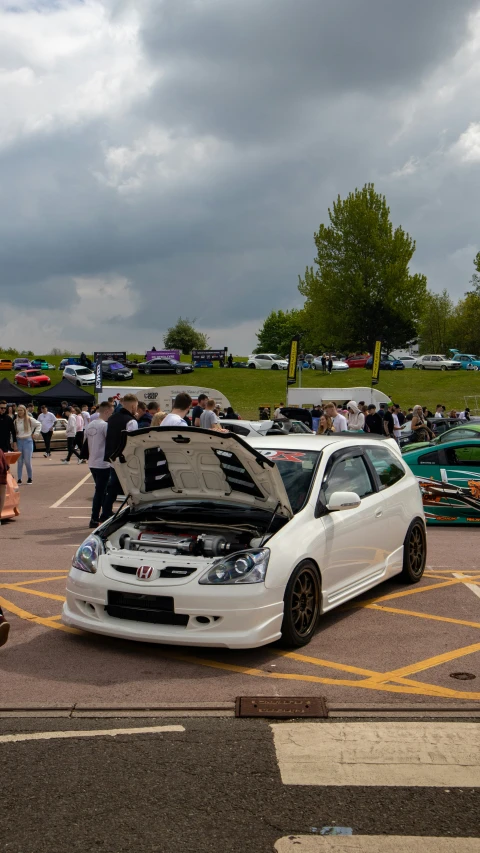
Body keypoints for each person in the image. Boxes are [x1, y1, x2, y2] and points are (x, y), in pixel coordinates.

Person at [100, 394, 139, 522]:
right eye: (136, 406)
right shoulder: (131, 421)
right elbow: (132, 443)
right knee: (130, 488)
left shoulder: (111, 419)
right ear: (133, 406)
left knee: (113, 487)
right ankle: (131, 512)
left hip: (112, 458)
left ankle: (105, 512)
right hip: (125, 460)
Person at [85, 401, 113, 528]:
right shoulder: (104, 426)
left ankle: (103, 514)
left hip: (93, 462)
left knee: (102, 490)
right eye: (111, 412)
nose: (111, 414)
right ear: (107, 411)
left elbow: (85, 442)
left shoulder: (90, 425)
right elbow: (110, 443)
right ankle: (95, 518)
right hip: (102, 463)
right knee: (101, 491)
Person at [14, 404, 40, 484]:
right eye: (18, 410)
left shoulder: (29, 419)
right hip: (19, 441)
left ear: (24, 411)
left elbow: (39, 424)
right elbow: (13, 432)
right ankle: (19, 478)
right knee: (20, 461)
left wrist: (35, 434)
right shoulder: (16, 421)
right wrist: (13, 442)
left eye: (21, 410)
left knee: (27, 461)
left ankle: (30, 477)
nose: (19, 412)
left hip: (27, 441)